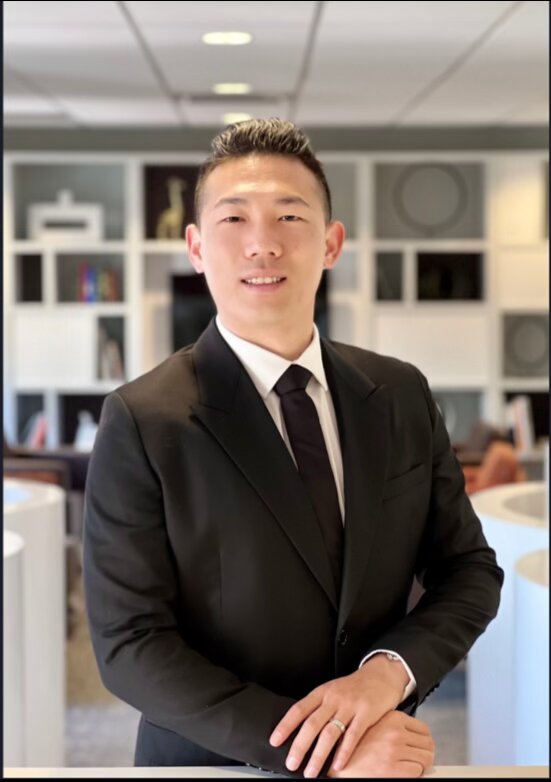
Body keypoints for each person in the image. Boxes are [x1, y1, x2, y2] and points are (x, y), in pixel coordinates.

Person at [83, 118, 503, 777]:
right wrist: (321, 749)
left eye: (289, 216)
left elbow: (468, 570)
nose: (262, 244)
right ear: (195, 247)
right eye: (233, 219)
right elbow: (129, 644)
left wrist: (384, 676)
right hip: (216, 763)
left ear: (331, 243)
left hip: (379, 754)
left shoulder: (399, 393)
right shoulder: (142, 420)